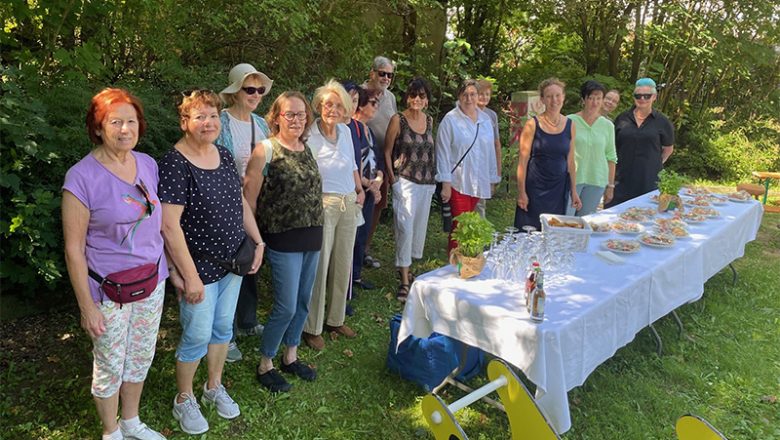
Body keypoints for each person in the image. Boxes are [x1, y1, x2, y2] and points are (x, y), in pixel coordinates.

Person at [63, 88, 168, 440]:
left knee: (140, 355)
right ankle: (111, 432)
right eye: (115, 122)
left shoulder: (149, 164)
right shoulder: (81, 178)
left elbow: (159, 225)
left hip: (152, 281)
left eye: (131, 121)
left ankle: (132, 421)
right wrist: (87, 307)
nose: (125, 129)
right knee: (109, 363)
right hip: (108, 291)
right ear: (97, 127)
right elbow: (74, 249)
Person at [159, 90, 264, 435]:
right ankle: (183, 398)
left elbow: (240, 203)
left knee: (222, 330)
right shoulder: (175, 162)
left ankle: (213, 387)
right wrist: (187, 276)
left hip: (233, 262)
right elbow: (169, 224)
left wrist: (258, 241)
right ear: (184, 122)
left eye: (214, 116)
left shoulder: (221, 152)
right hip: (199, 268)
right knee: (197, 335)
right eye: (200, 116)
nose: (208, 123)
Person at [244, 91, 322, 392]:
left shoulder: (307, 147)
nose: (296, 120)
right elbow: (248, 201)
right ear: (276, 117)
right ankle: (266, 362)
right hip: (281, 238)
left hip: (312, 235)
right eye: (290, 114)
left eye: (301, 114)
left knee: (303, 302)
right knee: (286, 305)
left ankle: (291, 355)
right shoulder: (266, 149)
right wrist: (255, 240)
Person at [216, 63, 274, 363]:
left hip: (255, 204)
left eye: (259, 90)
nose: (255, 94)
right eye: (249, 89)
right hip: (227, 205)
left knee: (252, 262)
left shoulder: (262, 125)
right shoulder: (220, 122)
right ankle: (226, 335)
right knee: (230, 267)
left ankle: (248, 321)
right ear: (235, 91)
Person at [302, 80, 365, 351]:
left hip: (348, 201)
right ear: (318, 106)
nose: (333, 109)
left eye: (339, 105)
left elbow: (351, 165)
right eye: (328, 104)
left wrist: (360, 188)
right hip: (322, 204)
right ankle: (312, 326)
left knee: (343, 263)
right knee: (320, 265)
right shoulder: (308, 134)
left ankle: (335, 318)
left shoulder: (347, 131)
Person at [384, 78, 436, 303]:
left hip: (426, 182)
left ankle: (407, 267)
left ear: (427, 100)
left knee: (416, 230)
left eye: (422, 96)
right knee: (404, 228)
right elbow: (386, 151)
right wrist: (393, 180)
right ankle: (405, 282)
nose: (417, 99)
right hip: (404, 180)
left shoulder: (430, 120)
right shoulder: (398, 120)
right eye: (413, 95)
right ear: (407, 97)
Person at [436, 79, 500, 254]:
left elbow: (490, 152)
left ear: (478, 96)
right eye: (465, 94)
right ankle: (456, 265)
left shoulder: (486, 120)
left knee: (470, 225)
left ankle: (468, 262)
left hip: (478, 181)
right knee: (461, 225)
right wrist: (445, 184)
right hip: (458, 182)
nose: (469, 98)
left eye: (473, 94)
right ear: (459, 96)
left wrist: (493, 179)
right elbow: (442, 153)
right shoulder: (450, 120)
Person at [514, 78, 582, 230]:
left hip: (558, 189)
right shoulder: (532, 124)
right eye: (549, 96)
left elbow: (570, 162)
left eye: (558, 95)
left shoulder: (570, 125)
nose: (554, 100)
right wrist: (522, 192)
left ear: (563, 97)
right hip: (534, 189)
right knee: (529, 232)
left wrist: (574, 191)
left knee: (553, 231)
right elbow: (522, 162)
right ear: (542, 99)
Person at [606, 78, 675, 208]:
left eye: (647, 96)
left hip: (648, 181)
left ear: (654, 97)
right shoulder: (621, 119)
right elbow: (611, 148)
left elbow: (668, 149)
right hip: (621, 180)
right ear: (634, 97)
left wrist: (653, 164)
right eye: (638, 95)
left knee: (645, 218)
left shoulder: (663, 122)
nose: (642, 98)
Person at [343, 83, 384, 291]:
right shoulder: (348, 128)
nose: (376, 106)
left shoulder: (365, 129)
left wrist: (379, 179)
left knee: (362, 233)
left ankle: (355, 276)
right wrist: (367, 185)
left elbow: (378, 159)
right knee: (351, 236)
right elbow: (353, 162)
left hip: (367, 189)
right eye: (373, 102)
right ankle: (345, 283)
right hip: (354, 189)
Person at [363, 56, 397, 269]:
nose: (386, 78)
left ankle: (365, 249)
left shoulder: (391, 97)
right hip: (362, 155)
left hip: (383, 160)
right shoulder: (360, 92)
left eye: (390, 75)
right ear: (372, 73)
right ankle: (352, 253)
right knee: (361, 203)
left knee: (377, 205)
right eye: (382, 73)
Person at [566, 80, 618, 216]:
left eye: (598, 98)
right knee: (564, 221)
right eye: (591, 98)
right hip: (572, 180)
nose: (595, 103)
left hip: (596, 181)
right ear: (583, 99)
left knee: (584, 223)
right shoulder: (569, 121)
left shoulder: (608, 126)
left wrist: (610, 186)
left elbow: (611, 157)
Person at [475, 78, 503, 217]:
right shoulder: (466, 112)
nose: (484, 97)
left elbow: (496, 144)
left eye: (487, 94)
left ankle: (479, 237)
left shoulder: (492, 115)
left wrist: (497, 171)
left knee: (481, 203)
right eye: (481, 93)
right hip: (469, 166)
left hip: (485, 166)